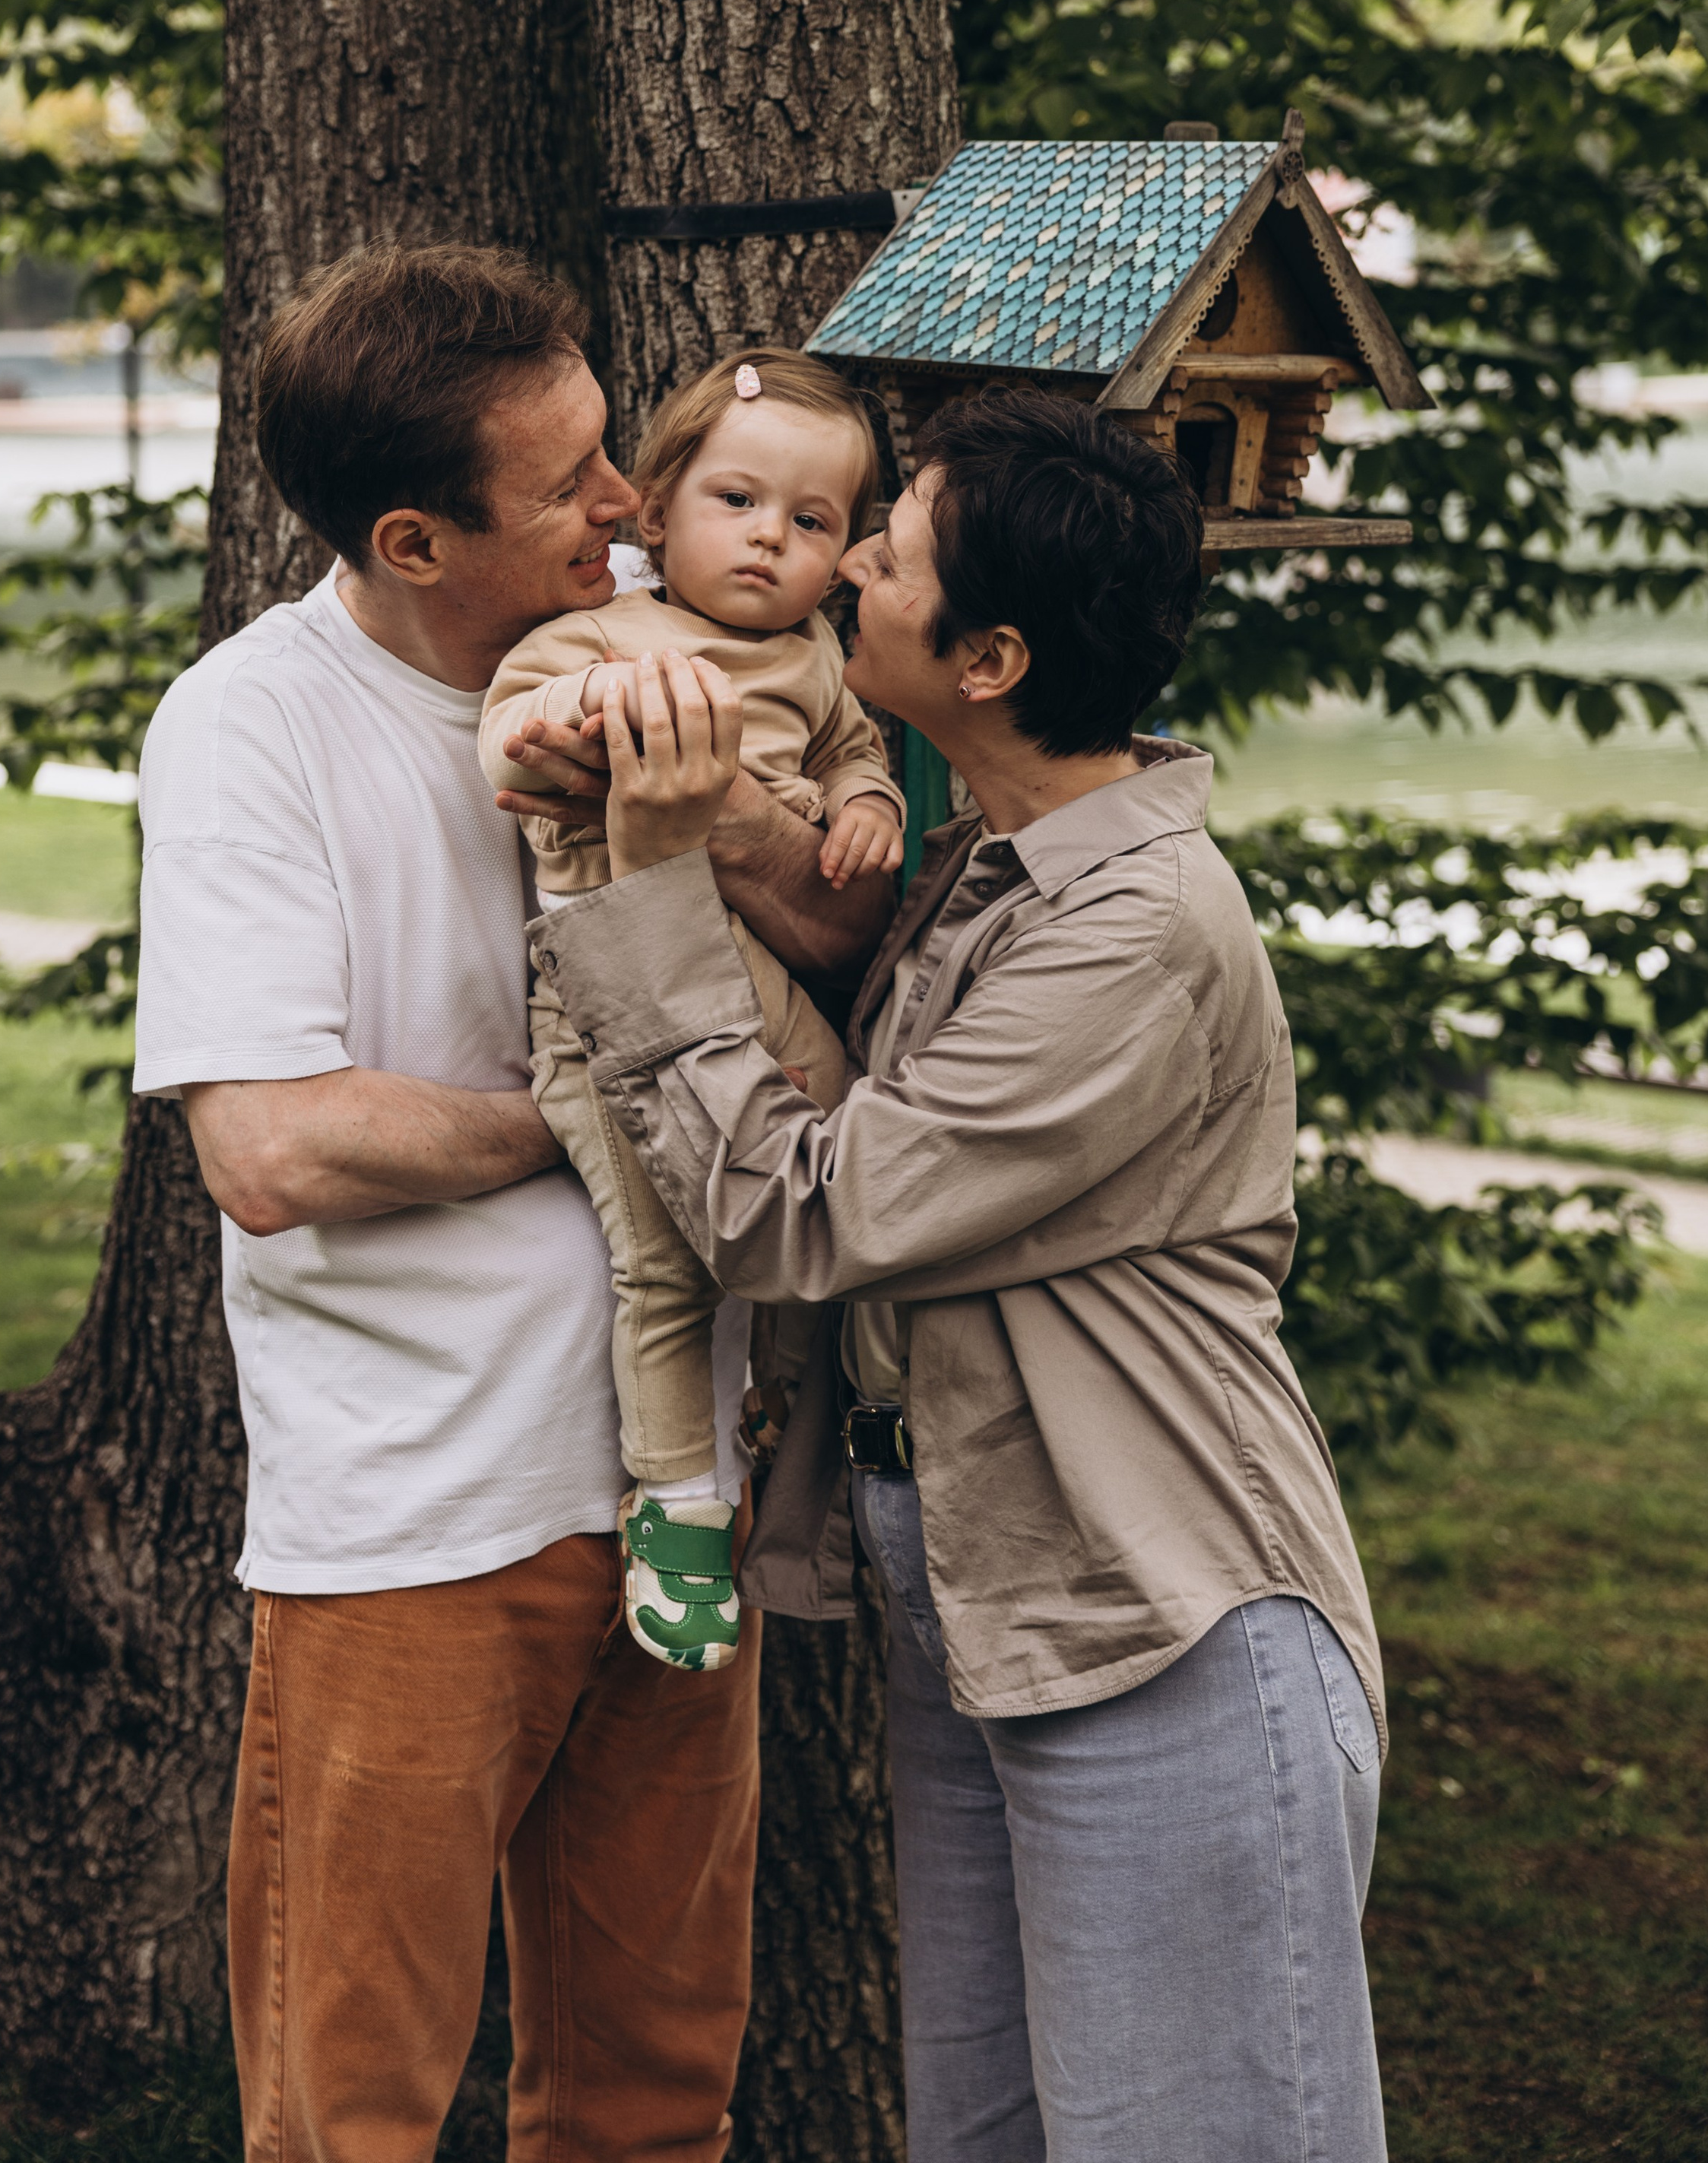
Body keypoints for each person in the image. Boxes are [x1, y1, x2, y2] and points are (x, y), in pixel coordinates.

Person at [514, 388, 1391, 2163]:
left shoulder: (1127, 935)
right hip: (981, 1595)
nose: (843, 571)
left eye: (891, 556)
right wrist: (660, 788)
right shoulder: (989, 862)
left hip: (1152, 1612)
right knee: (979, 2133)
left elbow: (796, 1216)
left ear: (987, 661)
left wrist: (644, 875)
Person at [131, 242, 890, 2163]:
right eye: (567, 484)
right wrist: (605, 1120)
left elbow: (837, 933)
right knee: (351, 2112)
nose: (630, 501)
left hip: (677, 1494)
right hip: (416, 1522)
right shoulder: (252, 728)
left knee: (651, 2093)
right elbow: (271, 1150)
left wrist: (712, 813)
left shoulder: (676, 640)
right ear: (413, 540)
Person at [478, 347, 905, 1673]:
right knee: (663, 1261)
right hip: (609, 1011)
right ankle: (676, 1507)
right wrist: (593, 709)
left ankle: (782, 1404)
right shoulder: (606, 638)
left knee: (838, 1179)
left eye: (811, 520)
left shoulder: (815, 658)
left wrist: (870, 803)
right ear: (656, 514)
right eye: (737, 501)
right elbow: (507, 731)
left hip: (755, 1000)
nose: (770, 538)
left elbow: (854, 750)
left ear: (844, 558)